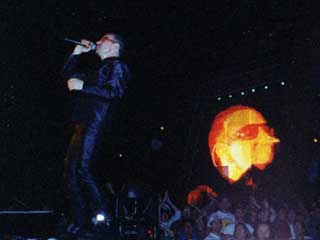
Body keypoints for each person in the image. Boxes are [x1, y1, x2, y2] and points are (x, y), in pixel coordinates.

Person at [62, 33, 130, 235]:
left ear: (115, 46)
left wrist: (83, 87)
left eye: (104, 39)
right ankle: (80, 222)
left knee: (83, 169)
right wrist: (76, 53)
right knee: (70, 175)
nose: (98, 41)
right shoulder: (96, 69)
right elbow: (67, 74)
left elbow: (114, 92)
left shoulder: (117, 66)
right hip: (82, 123)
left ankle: (104, 219)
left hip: (96, 123)